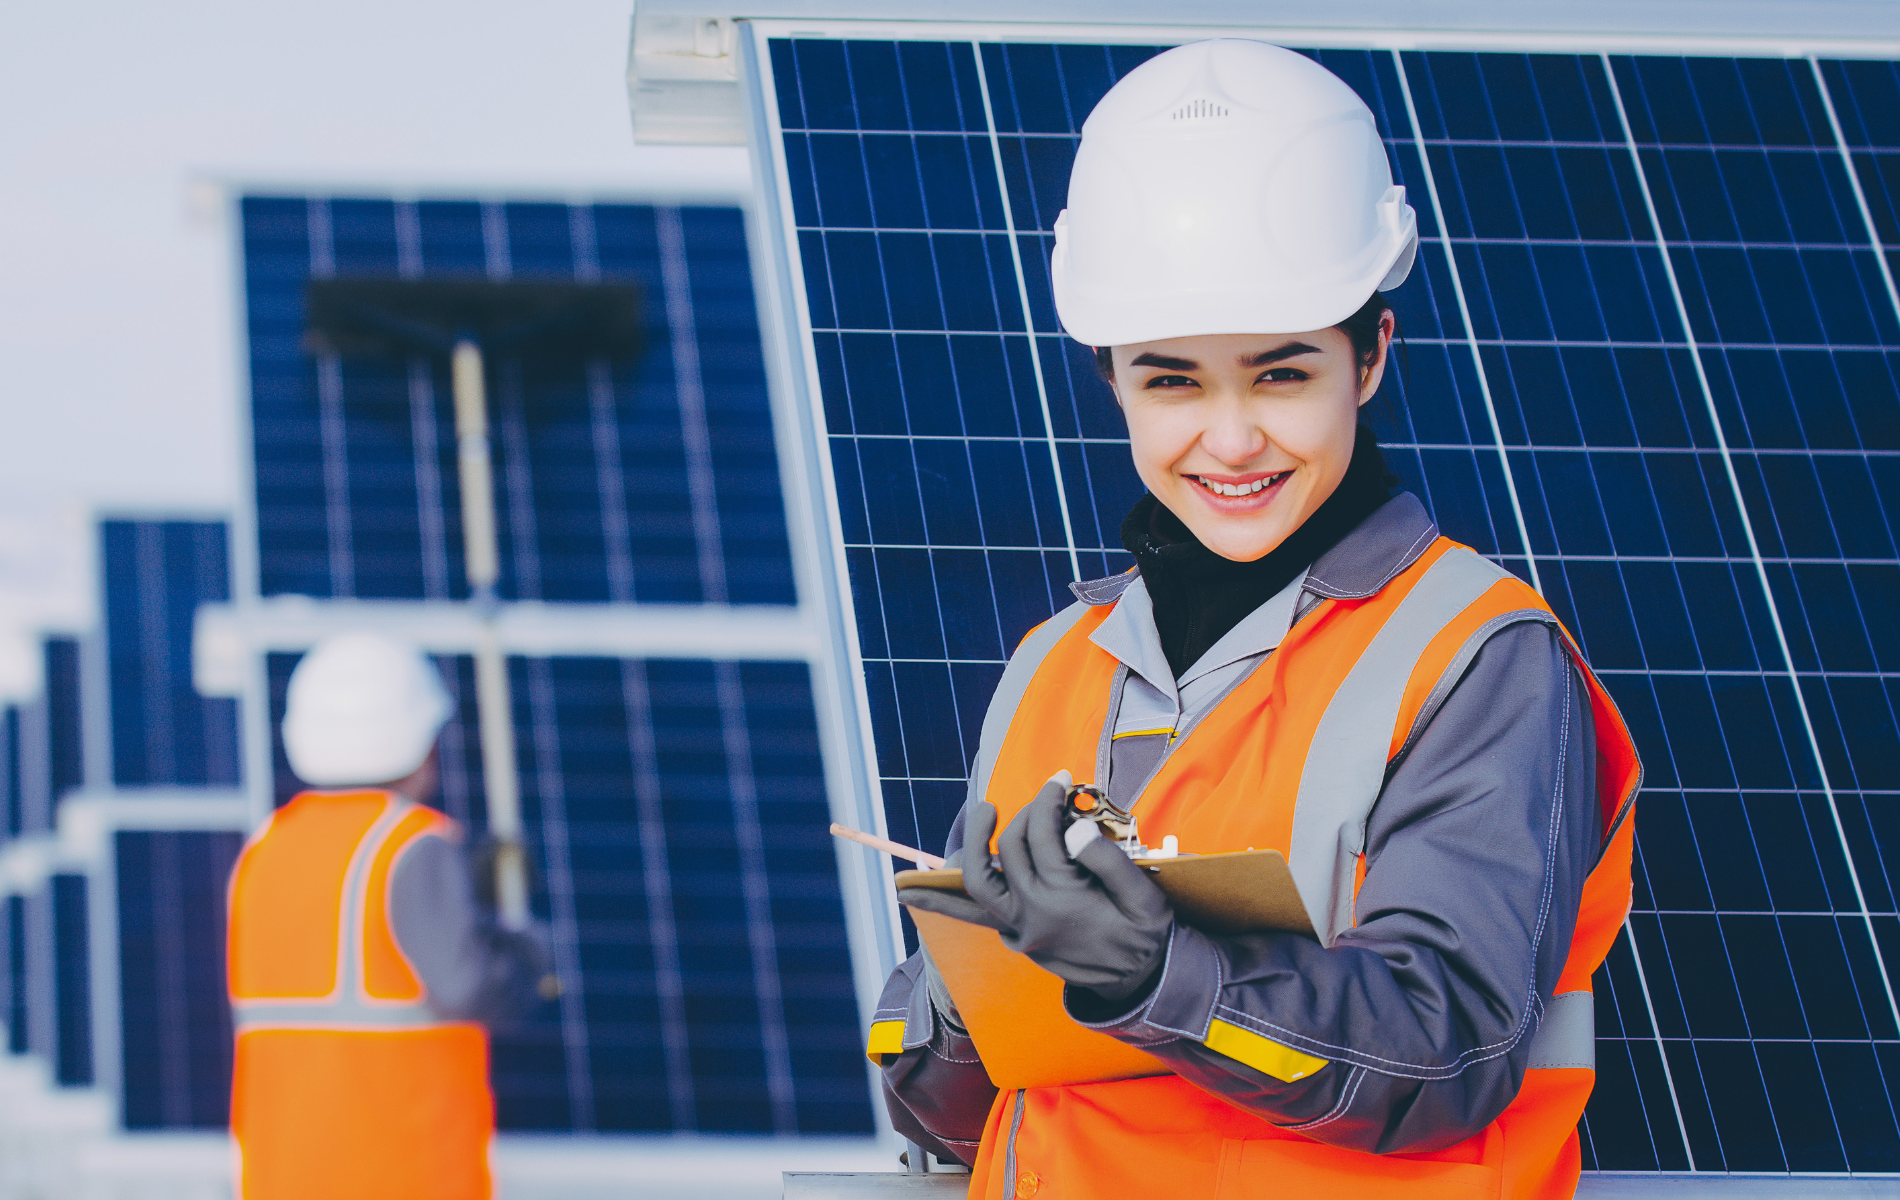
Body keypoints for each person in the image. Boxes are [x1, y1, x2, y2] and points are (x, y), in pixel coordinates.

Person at [874, 40, 1640, 1200]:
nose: (1230, 441)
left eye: (1281, 375)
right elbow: (949, 1114)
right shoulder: (1051, 666)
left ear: (1370, 355)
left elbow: (1451, 1053)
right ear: (1111, 377)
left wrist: (1151, 977)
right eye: (1171, 380)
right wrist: (967, 985)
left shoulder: (1476, 654)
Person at [226, 632, 547, 1200]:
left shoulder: (267, 850)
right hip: (399, 1173)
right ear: (424, 746)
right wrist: (528, 962)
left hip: (282, 1177)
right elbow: (467, 986)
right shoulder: (412, 844)